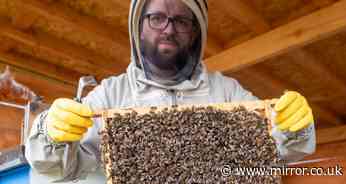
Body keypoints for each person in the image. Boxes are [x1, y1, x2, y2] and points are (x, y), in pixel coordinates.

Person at [25, 0, 316, 183]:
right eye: (157, 17)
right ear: (138, 29)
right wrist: (49, 134)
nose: (169, 29)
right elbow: (58, 171)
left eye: (181, 20)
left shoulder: (227, 91)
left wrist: (295, 128)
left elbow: (275, 153)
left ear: (195, 32)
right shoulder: (109, 94)